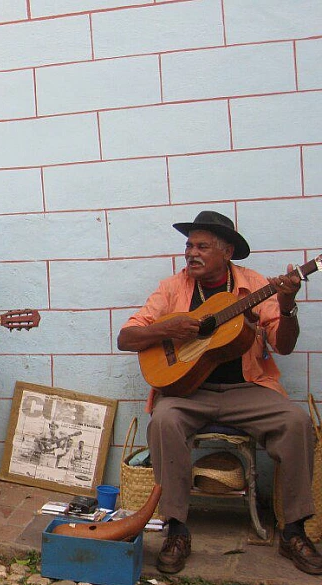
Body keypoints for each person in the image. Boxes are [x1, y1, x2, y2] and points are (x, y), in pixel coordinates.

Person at [117, 210, 320, 575]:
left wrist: (287, 306)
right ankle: (177, 529)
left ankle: (293, 530)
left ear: (226, 252)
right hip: (187, 393)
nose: (191, 253)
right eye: (189, 245)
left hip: (247, 389)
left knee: (296, 421)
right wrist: (169, 330)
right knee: (162, 420)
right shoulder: (171, 289)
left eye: (202, 246)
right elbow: (126, 338)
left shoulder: (255, 286)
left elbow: (284, 345)